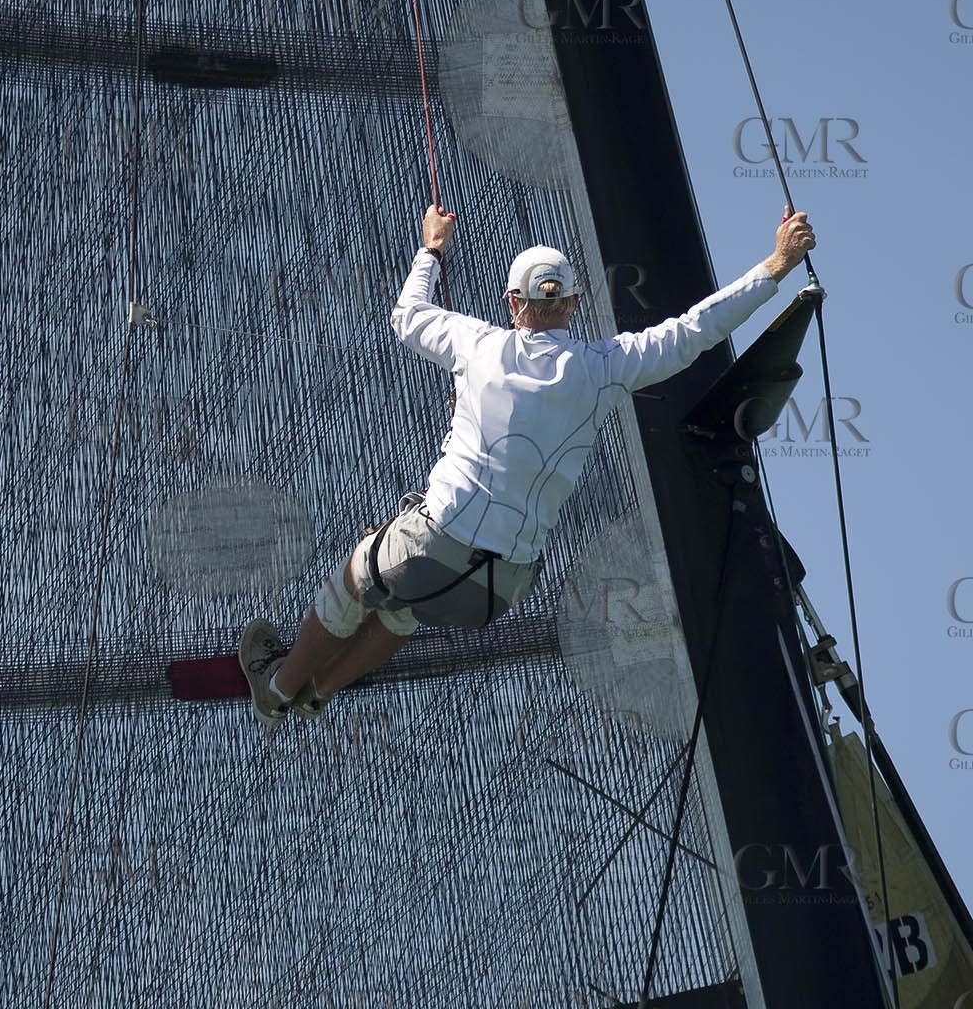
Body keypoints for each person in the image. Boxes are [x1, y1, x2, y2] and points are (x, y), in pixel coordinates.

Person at [239, 201, 818, 725]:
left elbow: (407, 314)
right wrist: (777, 263)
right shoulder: (606, 367)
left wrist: (432, 249)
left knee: (362, 575)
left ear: (514, 304)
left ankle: (280, 687)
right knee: (405, 608)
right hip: (498, 589)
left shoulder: (479, 343)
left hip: (431, 550)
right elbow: (696, 330)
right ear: (572, 303)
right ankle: (320, 695)